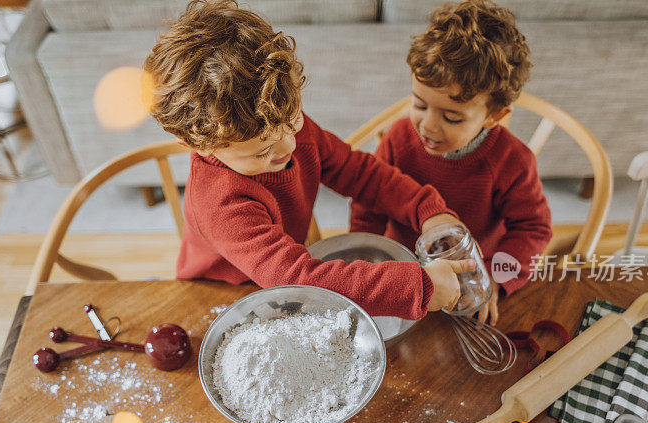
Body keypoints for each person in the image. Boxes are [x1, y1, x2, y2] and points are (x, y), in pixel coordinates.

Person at [144, 0, 474, 320]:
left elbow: (358, 172)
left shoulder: (275, 121)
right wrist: (419, 286)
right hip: (227, 298)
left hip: (283, 275)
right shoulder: (221, 204)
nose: (289, 145)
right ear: (197, 145)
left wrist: (425, 208)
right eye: (262, 152)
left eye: (294, 121)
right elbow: (297, 278)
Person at [350, 0, 552, 326]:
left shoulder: (512, 161)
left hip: (468, 278)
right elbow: (368, 203)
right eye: (419, 104)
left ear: (493, 117)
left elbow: (533, 228)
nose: (428, 126)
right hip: (404, 272)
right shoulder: (399, 138)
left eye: (451, 117)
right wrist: (364, 260)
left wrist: (497, 277)